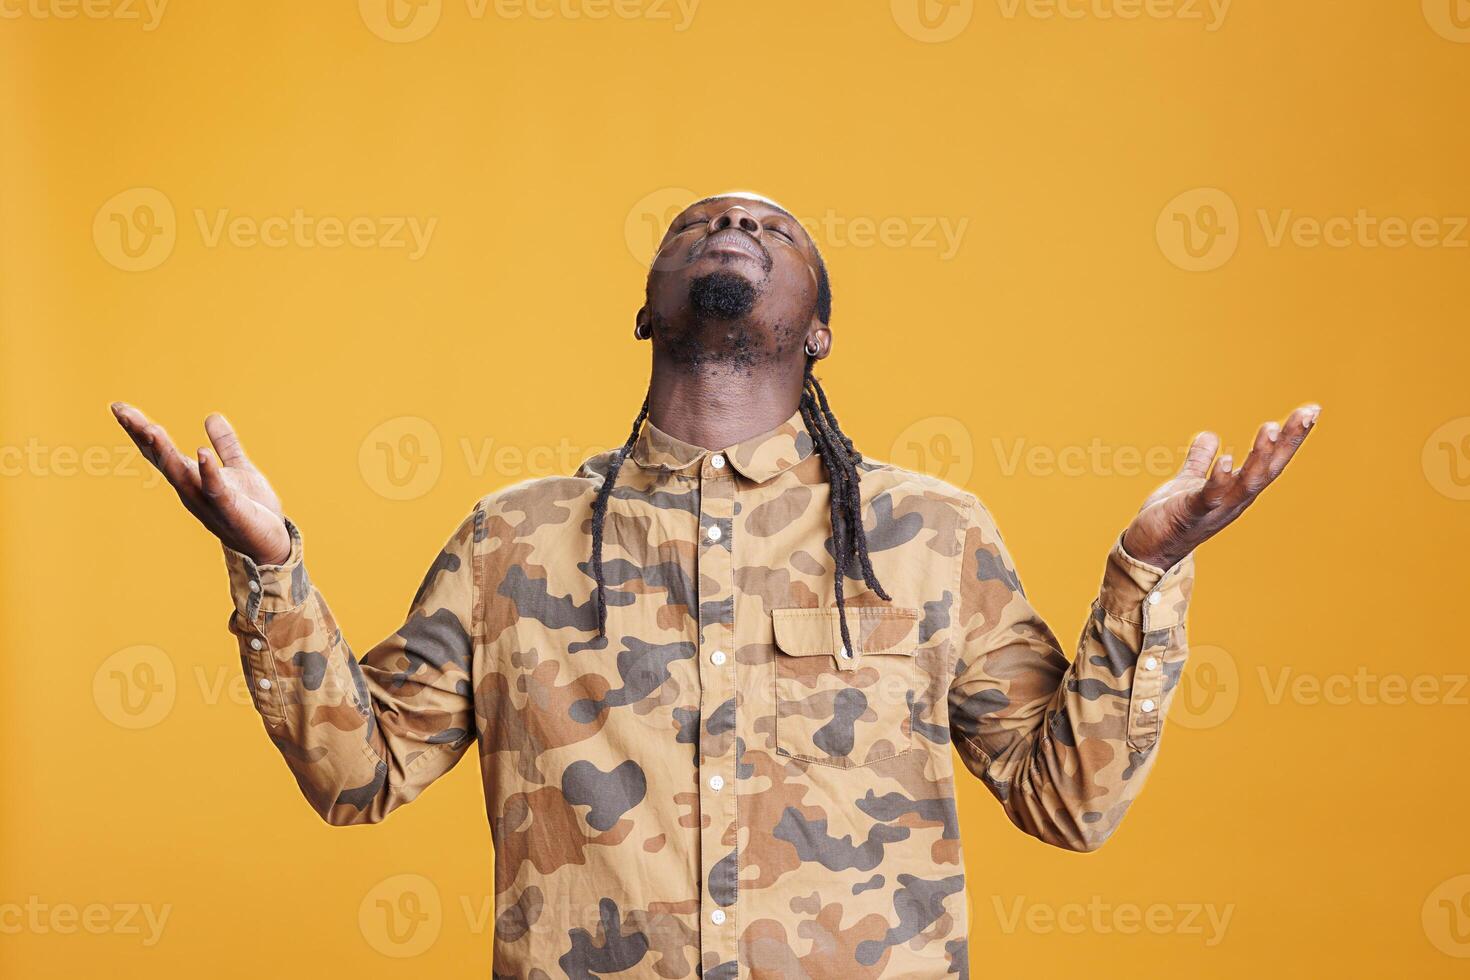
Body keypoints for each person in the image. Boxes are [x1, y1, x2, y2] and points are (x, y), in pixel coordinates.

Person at [110, 192, 1317, 978]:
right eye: (702, 220)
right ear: (646, 309)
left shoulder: (928, 534)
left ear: (821, 331)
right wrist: (270, 567)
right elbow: (355, 772)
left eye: (773, 228)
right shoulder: (511, 541)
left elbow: (1071, 802)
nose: (735, 219)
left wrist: (1148, 571)